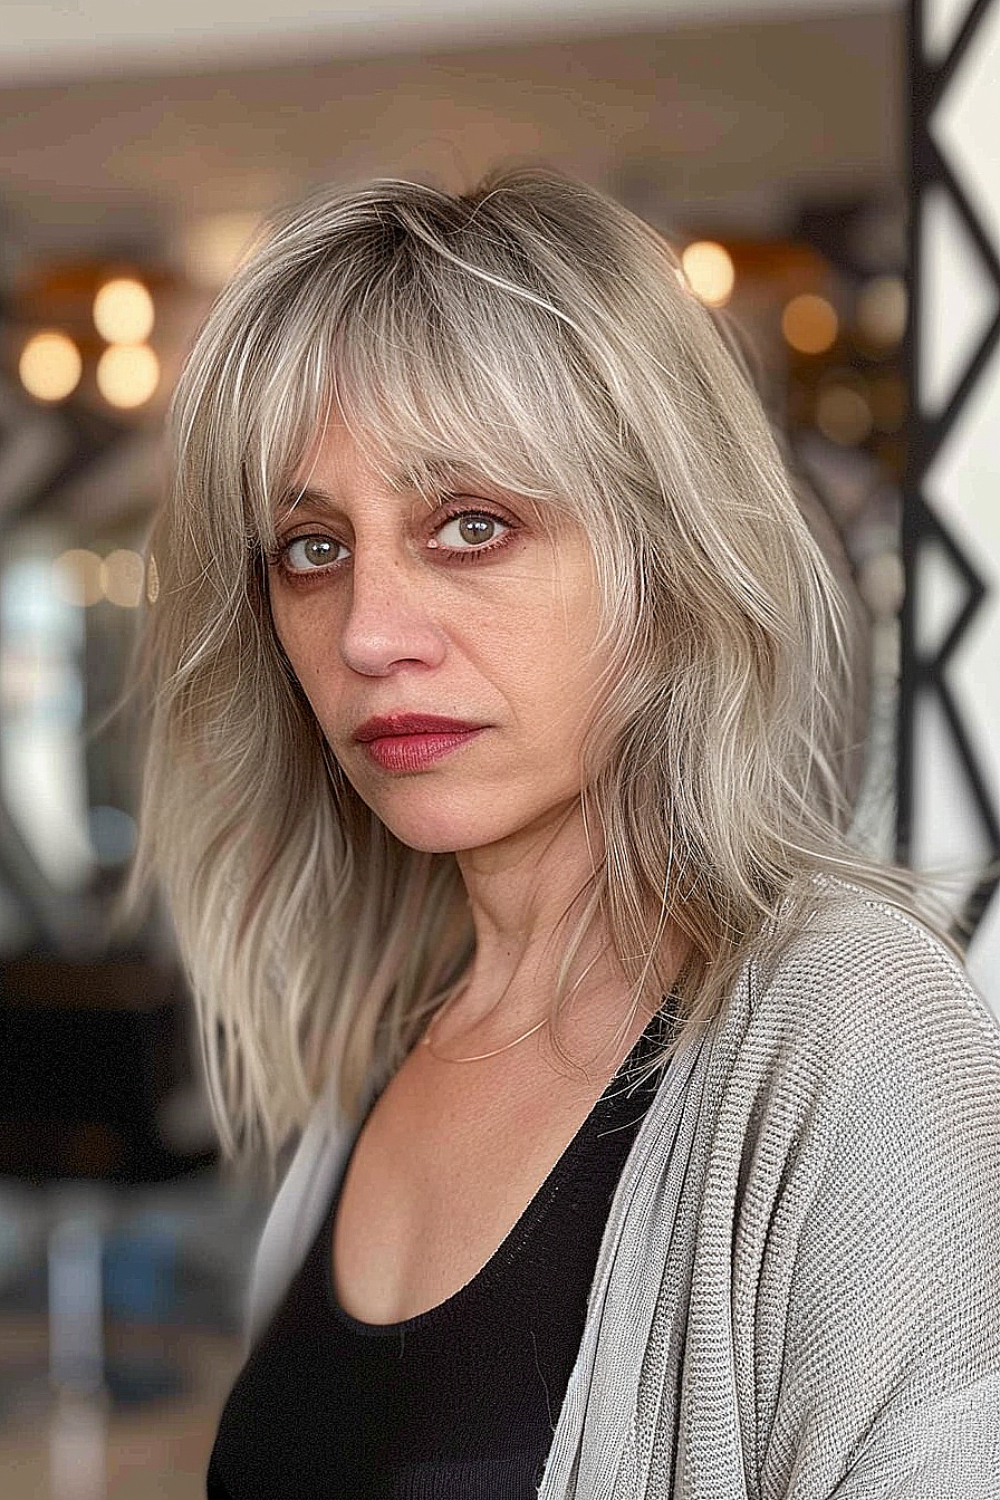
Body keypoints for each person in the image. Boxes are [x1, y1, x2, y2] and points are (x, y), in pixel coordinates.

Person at [132, 169, 1000, 1499]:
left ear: (668, 563)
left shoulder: (853, 1027)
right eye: (311, 548)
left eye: (470, 527)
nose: (367, 633)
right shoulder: (372, 1041)